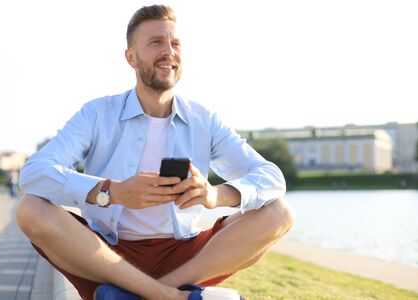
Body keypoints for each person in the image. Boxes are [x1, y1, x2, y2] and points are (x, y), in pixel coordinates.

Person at [16, 4, 294, 300]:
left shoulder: (204, 119)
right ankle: (170, 296)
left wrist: (215, 196)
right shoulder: (97, 114)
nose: (169, 51)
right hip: (104, 257)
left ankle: (139, 294)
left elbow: (271, 177)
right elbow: (34, 172)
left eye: (175, 43)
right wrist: (111, 191)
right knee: (30, 209)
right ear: (131, 57)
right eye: (156, 43)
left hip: (183, 255)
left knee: (279, 213)